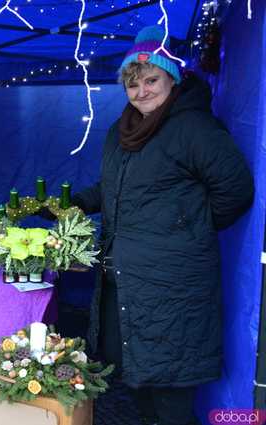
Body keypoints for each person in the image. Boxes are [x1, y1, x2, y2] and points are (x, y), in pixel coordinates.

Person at [70, 26, 254, 425]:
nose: (142, 91)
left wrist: (186, 231)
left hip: (173, 288)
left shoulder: (194, 128)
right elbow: (112, 189)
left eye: (151, 79)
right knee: (141, 385)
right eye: (132, 84)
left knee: (171, 397)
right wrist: (75, 204)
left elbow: (236, 189)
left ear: (171, 77)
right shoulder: (120, 134)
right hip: (127, 284)